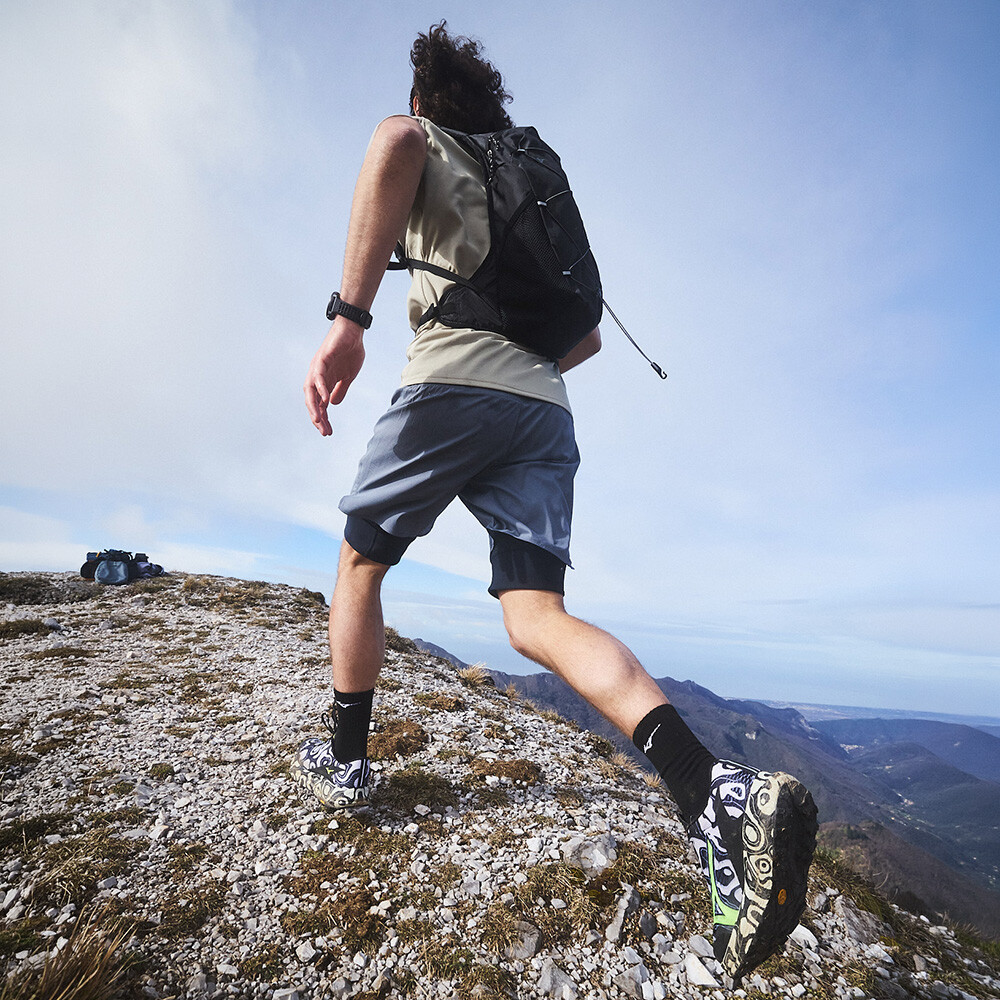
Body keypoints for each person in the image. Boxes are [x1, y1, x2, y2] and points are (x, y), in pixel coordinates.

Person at [294, 21, 817, 984]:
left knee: (360, 563)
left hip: (449, 386)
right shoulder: (532, 178)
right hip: (543, 408)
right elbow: (584, 342)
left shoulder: (427, 139)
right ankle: (714, 790)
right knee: (536, 617)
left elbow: (390, 145)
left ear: (428, 97)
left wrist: (350, 323)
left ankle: (347, 759)